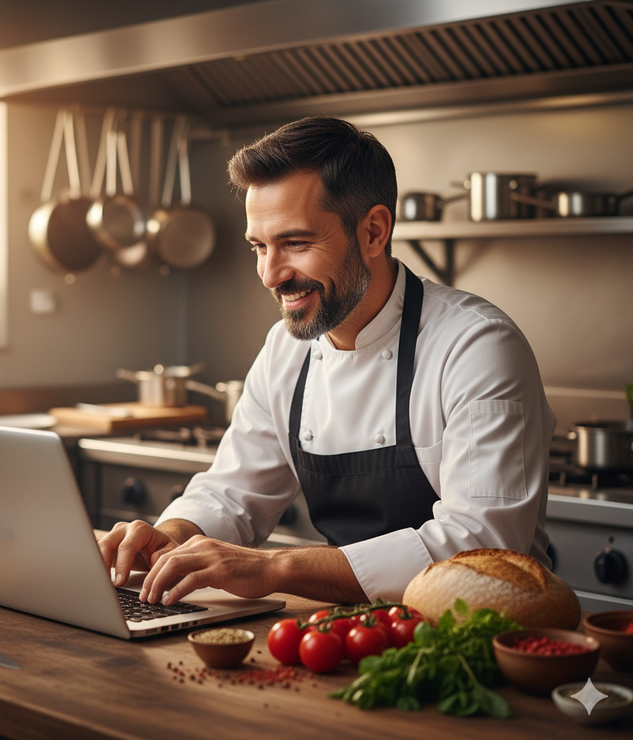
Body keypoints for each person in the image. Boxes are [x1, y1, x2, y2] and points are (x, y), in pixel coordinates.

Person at [100, 116, 556, 607]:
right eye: (259, 246)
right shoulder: (285, 349)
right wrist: (172, 536)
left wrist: (276, 567)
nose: (271, 274)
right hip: (353, 633)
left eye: (295, 243)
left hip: (486, 639)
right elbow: (233, 492)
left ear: (373, 233)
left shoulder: (476, 345)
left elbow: (480, 548)